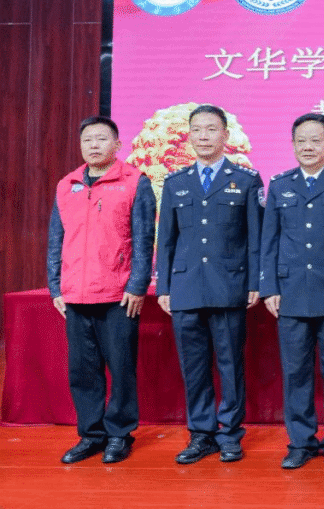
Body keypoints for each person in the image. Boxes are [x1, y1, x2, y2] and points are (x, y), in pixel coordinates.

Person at [156, 104, 263, 464]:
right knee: (194, 366)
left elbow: (255, 237)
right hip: (185, 287)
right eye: (197, 130)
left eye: (212, 129)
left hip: (229, 285)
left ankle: (230, 433)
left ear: (225, 135)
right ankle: (201, 434)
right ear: (189, 135)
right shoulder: (175, 182)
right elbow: (166, 240)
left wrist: (254, 280)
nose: (204, 136)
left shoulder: (246, 180)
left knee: (231, 364)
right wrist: (164, 286)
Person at [47, 115, 156, 465]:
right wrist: (55, 286)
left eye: (101, 138)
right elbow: (56, 239)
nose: (93, 145)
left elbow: (144, 239)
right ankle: (91, 435)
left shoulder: (134, 182)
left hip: (118, 294)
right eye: (87, 140)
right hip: (75, 293)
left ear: (117, 144)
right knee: (82, 370)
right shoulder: (67, 184)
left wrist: (137, 285)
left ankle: (120, 434)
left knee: (121, 369)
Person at [260, 113, 324, 469]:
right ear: (293, 145)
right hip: (290, 293)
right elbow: (269, 240)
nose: (308, 147)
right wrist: (269, 287)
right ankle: (301, 442)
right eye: (301, 140)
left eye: (315, 140)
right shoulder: (280, 185)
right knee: (296, 373)